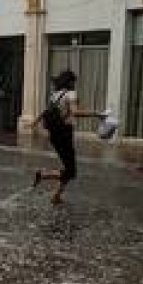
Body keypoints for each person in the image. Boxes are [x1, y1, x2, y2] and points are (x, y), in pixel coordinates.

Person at [30, 69, 103, 205]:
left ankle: (56, 196)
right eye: (73, 81)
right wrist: (96, 113)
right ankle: (43, 175)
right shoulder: (71, 94)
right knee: (71, 171)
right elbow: (75, 113)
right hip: (64, 134)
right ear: (70, 82)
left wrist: (35, 121)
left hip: (55, 134)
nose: (75, 84)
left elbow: (46, 111)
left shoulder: (55, 95)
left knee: (68, 167)